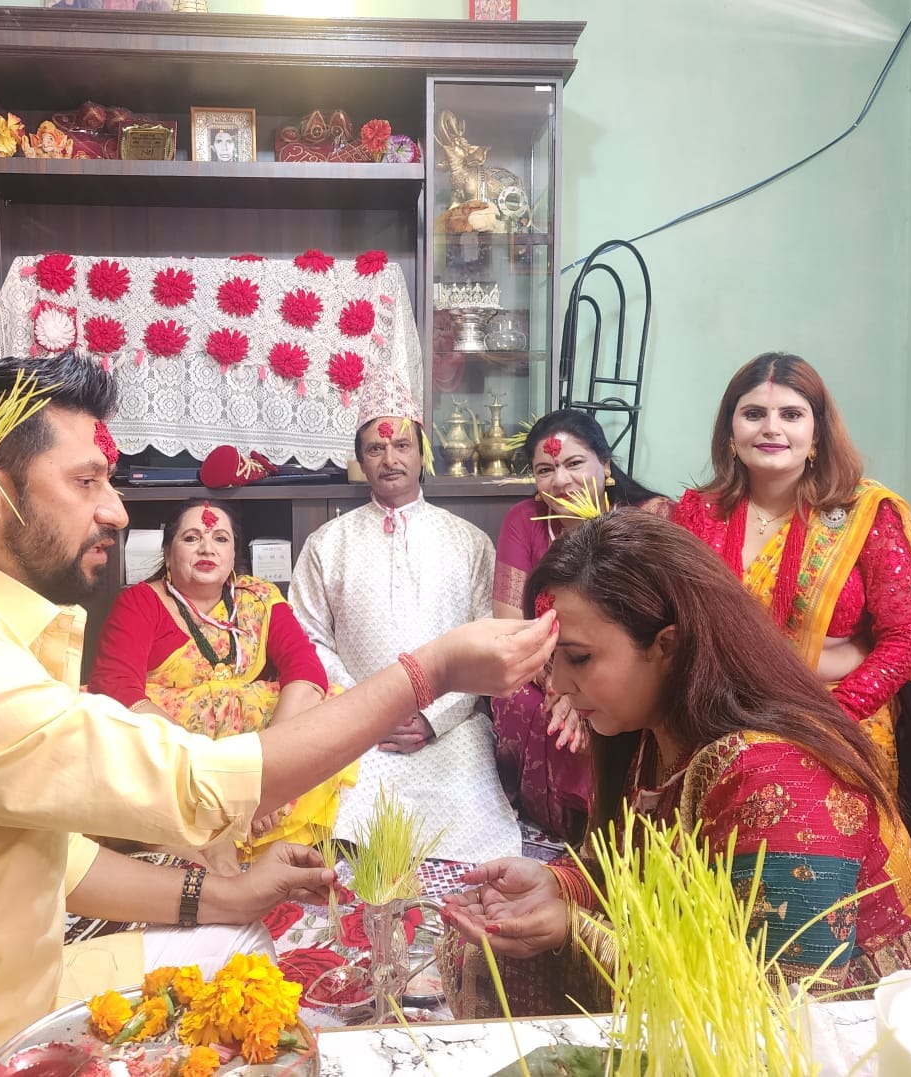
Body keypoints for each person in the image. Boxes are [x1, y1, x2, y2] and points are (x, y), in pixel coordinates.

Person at [0, 355, 554, 1065]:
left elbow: (61, 858)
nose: (116, 508)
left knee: (262, 960)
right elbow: (199, 781)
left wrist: (229, 895)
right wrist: (431, 668)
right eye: (87, 480)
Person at [441, 510, 911, 1017]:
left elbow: (776, 1012)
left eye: (578, 657)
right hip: (724, 1003)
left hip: (860, 1035)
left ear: (667, 646)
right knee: (490, 948)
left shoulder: (779, 779)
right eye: (552, 660)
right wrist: (560, 885)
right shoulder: (646, 734)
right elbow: (622, 873)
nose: (558, 683)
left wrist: (576, 930)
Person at [670, 353, 911, 789]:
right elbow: (667, 619)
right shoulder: (699, 513)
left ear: (817, 433)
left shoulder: (864, 514)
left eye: (791, 415)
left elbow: (907, 634)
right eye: (754, 414)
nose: (771, 428)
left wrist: (838, 713)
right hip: (721, 710)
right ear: (730, 431)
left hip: (836, 712)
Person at [289, 368, 521, 863]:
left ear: (421, 455)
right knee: (347, 838)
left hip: (450, 725)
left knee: (471, 834)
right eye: (375, 449)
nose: (390, 459)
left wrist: (433, 718)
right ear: (361, 462)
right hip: (357, 727)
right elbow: (306, 638)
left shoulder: (468, 541)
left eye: (401, 446)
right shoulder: (327, 543)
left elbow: (488, 640)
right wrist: (366, 711)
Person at [90, 499, 355, 851]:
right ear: (168, 553)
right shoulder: (141, 601)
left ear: (233, 555)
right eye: (191, 538)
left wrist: (266, 775)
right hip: (178, 759)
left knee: (329, 706)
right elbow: (115, 688)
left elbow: (306, 671)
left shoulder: (260, 598)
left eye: (220, 539)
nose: (206, 548)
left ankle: (271, 842)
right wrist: (213, 771)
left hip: (260, 754)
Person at [489, 408, 672, 842]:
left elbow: (659, 622)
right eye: (545, 470)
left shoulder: (648, 517)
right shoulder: (524, 520)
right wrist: (560, 685)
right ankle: (558, 825)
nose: (561, 480)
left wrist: (585, 683)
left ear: (605, 466)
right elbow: (510, 626)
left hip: (628, 664)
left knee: (609, 699)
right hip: (545, 664)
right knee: (513, 697)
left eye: (574, 463)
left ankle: (608, 831)